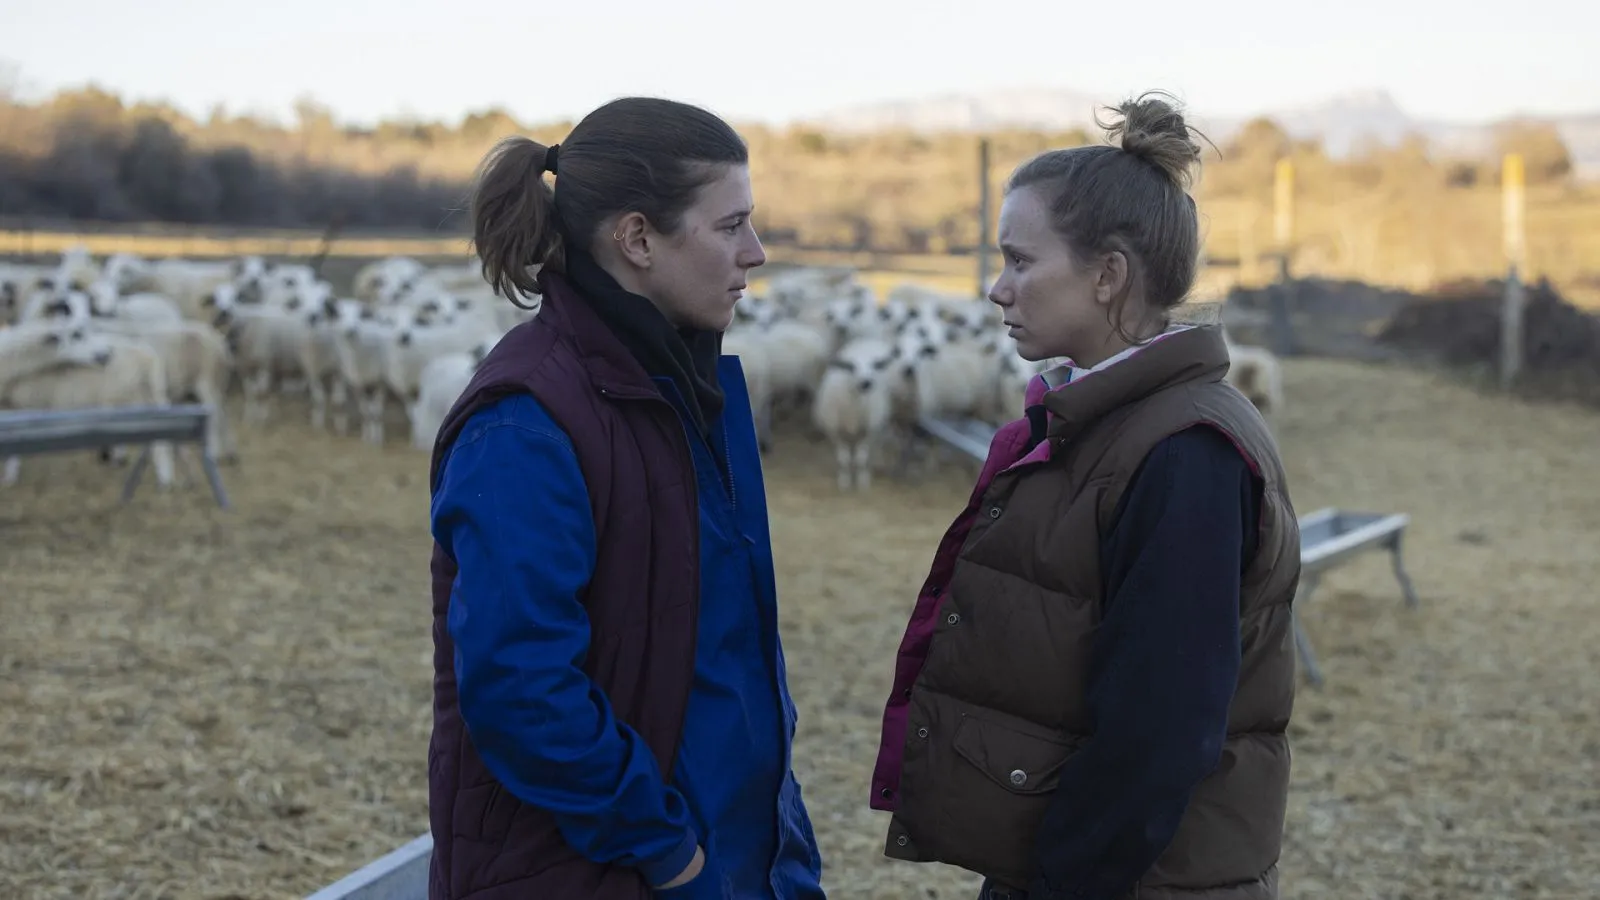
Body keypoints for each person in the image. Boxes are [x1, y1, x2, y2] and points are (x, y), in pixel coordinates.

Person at [867, 91, 1302, 900]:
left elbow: (1160, 731)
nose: (999, 289)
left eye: (1020, 262)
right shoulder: (1099, 424)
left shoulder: (1183, 454)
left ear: (1108, 276)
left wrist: (1063, 880)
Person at [425, 97, 826, 900]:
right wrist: (671, 855)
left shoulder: (683, 389)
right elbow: (520, 686)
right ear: (638, 238)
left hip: (731, 854)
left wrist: (781, 845)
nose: (756, 251)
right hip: (617, 869)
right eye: (729, 225)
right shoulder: (528, 421)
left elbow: (720, 649)